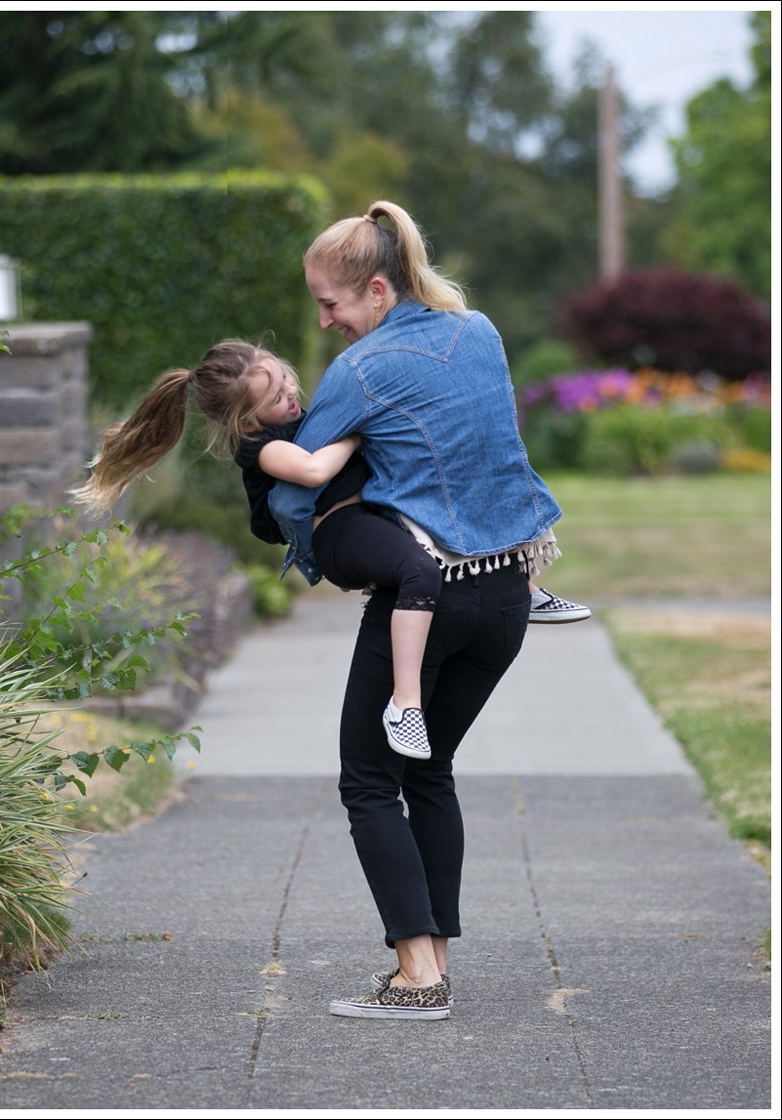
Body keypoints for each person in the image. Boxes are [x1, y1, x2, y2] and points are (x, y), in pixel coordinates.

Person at [267, 200, 572, 1020]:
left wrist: (302, 536)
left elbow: (304, 477)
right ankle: (433, 957)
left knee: (369, 782)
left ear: (374, 289)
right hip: (508, 594)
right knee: (428, 770)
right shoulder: (481, 333)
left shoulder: (360, 372)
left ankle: (417, 976)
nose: (326, 321)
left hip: (428, 593)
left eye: (331, 304)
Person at [69, 339, 443, 760]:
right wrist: (356, 431)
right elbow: (313, 469)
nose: (290, 398)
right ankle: (405, 705)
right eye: (276, 399)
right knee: (421, 573)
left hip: (369, 518)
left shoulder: (302, 416)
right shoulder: (260, 448)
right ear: (247, 422)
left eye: (286, 382)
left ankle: (519, 584)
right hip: (338, 533)